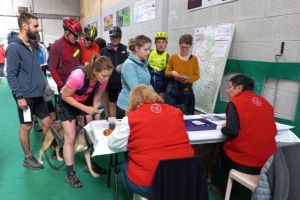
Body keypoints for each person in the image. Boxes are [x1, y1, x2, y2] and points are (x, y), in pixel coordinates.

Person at [108, 84, 194, 199]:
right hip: (185, 180)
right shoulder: (176, 112)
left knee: (125, 166)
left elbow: (113, 143)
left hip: (148, 183)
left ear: (133, 101)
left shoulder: (132, 118)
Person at [210, 75, 277, 198]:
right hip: (269, 162)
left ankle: (225, 189)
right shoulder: (265, 102)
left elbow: (231, 131)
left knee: (221, 149)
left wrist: (224, 127)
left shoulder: (235, 102)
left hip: (246, 162)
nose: (227, 90)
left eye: (229, 87)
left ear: (239, 88)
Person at [6, 12, 52, 170]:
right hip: (25, 95)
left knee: (47, 122)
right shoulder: (13, 47)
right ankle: (28, 157)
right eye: (35, 26)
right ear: (24, 26)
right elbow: (10, 75)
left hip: (38, 94)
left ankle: (48, 148)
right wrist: (19, 96)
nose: (38, 29)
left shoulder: (31, 44)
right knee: (26, 126)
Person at [59, 54, 113, 188]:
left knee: (90, 135)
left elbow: (97, 101)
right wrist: (85, 109)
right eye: (104, 76)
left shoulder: (104, 78)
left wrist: (97, 120)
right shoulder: (78, 75)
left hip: (85, 101)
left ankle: (90, 166)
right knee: (70, 138)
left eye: (108, 76)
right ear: (95, 71)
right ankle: (70, 173)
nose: (106, 79)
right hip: (68, 102)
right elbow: (65, 95)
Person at [116, 35, 152, 119]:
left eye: (149, 49)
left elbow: (148, 84)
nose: (148, 52)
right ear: (137, 48)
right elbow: (136, 89)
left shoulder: (143, 63)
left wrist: (156, 98)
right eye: (146, 49)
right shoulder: (129, 65)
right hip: (127, 107)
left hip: (140, 105)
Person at [164, 34, 200, 115]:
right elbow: (166, 73)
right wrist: (172, 73)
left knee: (184, 114)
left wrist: (188, 80)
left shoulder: (194, 59)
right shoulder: (173, 57)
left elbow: (197, 75)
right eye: (182, 47)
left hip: (186, 91)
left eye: (186, 47)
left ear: (190, 46)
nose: (183, 50)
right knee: (171, 113)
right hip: (173, 91)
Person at [100, 26, 128, 117]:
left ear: (120, 38)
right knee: (113, 103)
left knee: (125, 104)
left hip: (123, 82)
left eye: (117, 37)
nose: (115, 39)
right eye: (113, 37)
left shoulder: (125, 50)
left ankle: (124, 122)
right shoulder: (104, 51)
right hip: (110, 82)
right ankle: (113, 123)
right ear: (110, 38)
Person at [49, 17, 83, 91]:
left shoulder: (77, 45)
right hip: (65, 83)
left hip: (78, 81)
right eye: (75, 35)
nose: (77, 38)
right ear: (67, 32)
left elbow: (79, 61)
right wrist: (60, 84)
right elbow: (52, 68)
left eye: (78, 36)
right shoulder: (57, 46)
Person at [147, 32, 169, 98]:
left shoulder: (167, 57)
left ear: (166, 44)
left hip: (160, 87)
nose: (161, 45)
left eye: (163, 42)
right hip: (148, 86)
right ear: (155, 43)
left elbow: (167, 77)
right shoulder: (149, 53)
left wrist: (163, 91)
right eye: (158, 42)